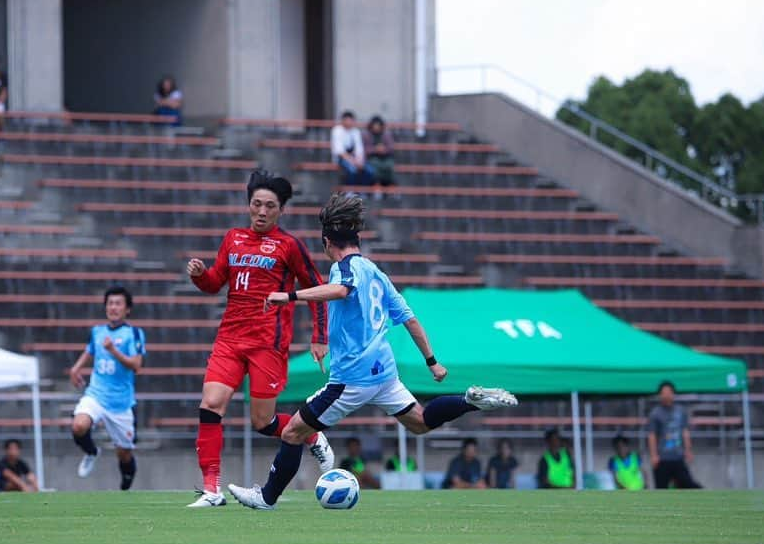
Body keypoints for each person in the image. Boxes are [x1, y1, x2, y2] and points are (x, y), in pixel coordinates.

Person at [228, 193, 517, 509]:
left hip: (353, 378)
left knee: (294, 432)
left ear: (327, 242)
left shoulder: (344, 268)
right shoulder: (377, 273)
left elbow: (340, 290)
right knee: (419, 421)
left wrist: (291, 295)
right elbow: (410, 319)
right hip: (385, 373)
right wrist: (432, 362)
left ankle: (267, 497)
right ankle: (467, 400)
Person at [184, 170, 333, 507]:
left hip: (268, 343)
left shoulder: (289, 245)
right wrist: (199, 276)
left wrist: (320, 336)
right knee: (210, 405)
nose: (262, 211)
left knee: (262, 422)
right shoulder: (233, 238)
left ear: (281, 210)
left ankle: (309, 434)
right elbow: (214, 283)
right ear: (249, 206)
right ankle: (211, 489)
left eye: (269, 206)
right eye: (256, 204)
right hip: (229, 339)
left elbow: (315, 289)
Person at [67, 286, 146, 490]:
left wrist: (113, 351)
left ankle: (125, 487)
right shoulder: (97, 331)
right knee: (78, 426)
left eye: (118, 303)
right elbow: (90, 351)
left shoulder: (134, 333)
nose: (113, 307)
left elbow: (136, 365)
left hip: (121, 403)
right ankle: (91, 452)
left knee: (124, 454)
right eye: (110, 303)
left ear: (127, 309)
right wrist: (76, 368)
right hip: (96, 394)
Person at [646, 381, 702, 489]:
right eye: (664, 393)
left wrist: (688, 450)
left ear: (673, 394)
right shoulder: (655, 413)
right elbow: (652, 435)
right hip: (662, 459)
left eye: (669, 392)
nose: (666, 395)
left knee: (688, 485)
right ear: (660, 395)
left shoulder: (680, 411)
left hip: (678, 457)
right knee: (661, 488)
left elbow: (685, 432)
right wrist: (654, 456)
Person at [330, 111, 374, 186]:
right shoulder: (337, 130)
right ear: (342, 120)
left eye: (351, 120)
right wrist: (353, 161)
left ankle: (362, 191)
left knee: (370, 170)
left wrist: (360, 161)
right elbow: (339, 151)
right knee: (352, 170)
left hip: (355, 159)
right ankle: (350, 191)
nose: (349, 122)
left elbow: (359, 149)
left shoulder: (355, 131)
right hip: (341, 159)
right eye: (347, 120)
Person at [363, 115, 396, 187]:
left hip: (386, 157)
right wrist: (375, 149)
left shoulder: (386, 134)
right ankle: (377, 185)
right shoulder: (367, 135)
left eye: (378, 125)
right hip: (372, 157)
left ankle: (390, 186)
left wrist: (383, 149)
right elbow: (365, 149)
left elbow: (391, 147)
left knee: (389, 165)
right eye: (374, 125)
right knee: (375, 165)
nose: (376, 127)